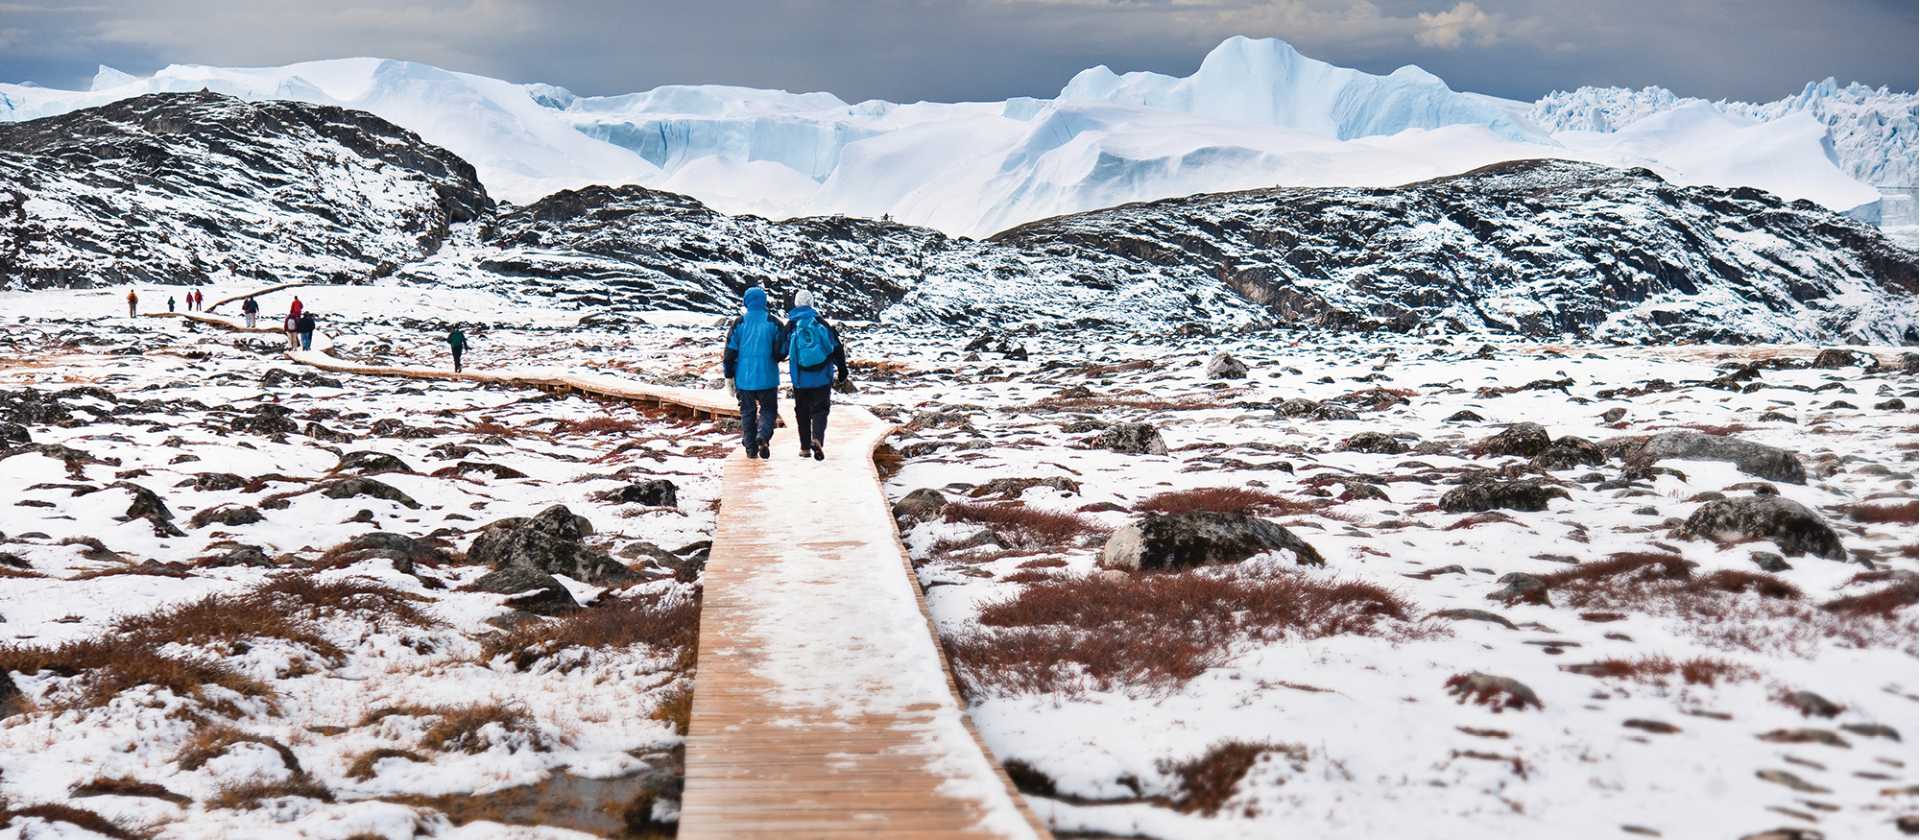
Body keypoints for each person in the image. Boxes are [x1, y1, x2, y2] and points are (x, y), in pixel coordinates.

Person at [778, 290, 850, 460]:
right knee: (820, 410)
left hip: (800, 379)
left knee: (802, 411)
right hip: (822, 376)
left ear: (796, 303)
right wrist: (842, 369)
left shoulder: (791, 325)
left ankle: (804, 447)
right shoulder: (821, 323)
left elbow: (780, 351)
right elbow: (836, 347)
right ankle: (817, 438)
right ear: (811, 303)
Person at [722, 286, 785, 459]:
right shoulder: (774, 322)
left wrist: (728, 376)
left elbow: (729, 353)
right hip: (768, 377)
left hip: (744, 378)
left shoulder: (739, 323)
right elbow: (781, 351)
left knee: (747, 412)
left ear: (746, 302)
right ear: (764, 301)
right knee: (768, 410)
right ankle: (763, 436)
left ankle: (750, 449)